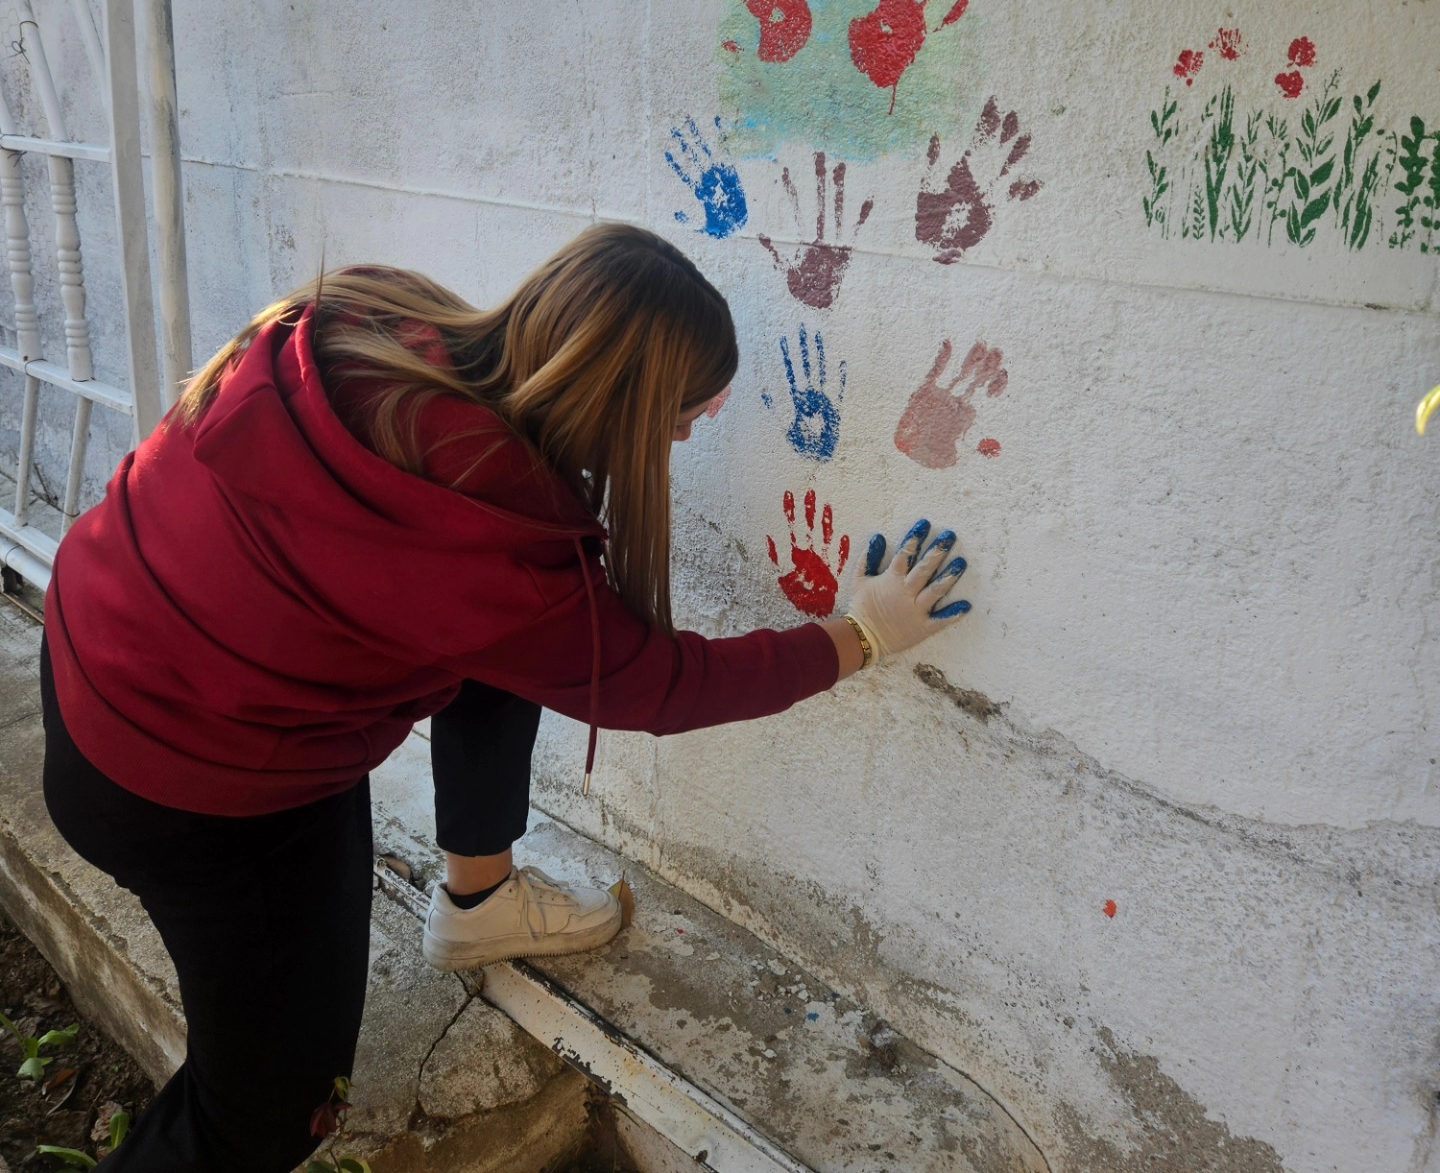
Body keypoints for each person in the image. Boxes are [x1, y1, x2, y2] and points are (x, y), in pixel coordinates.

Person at [39, 223, 970, 1172]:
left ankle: (478, 901)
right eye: (683, 414)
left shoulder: (369, 309)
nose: (688, 435)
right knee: (263, 1115)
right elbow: (662, 685)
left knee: (503, 647)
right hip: (191, 791)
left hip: (92, 651)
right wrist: (861, 635)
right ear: (624, 402)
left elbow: (515, 624)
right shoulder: (499, 555)